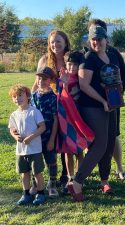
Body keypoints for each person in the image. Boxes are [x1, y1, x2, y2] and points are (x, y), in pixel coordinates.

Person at [67, 25, 118, 201]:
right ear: (90, 41)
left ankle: (104, 180)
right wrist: (103, 101)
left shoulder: (110, 56)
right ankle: (77, 182)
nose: (97, 42)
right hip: (93, 107)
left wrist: (114, 98)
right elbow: (84, 85)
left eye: (100, 38)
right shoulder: (88, 58)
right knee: (99, 145)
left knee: (109, 142)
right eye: (93, 39)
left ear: (106, 39)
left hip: (111, 106)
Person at [87, 19, 125, 180]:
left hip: (112, 103)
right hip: (92, 105)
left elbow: (123, 76)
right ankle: (89, 169)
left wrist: (117, 96)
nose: (96, 38)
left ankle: (119, 168)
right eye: (93, 33)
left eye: (100, 34)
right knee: (92, 137)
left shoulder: (114, 53)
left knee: (113, 135)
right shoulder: (86, 54)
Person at [32, 30, 71, 188]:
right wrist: (30, 100)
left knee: (64, 137)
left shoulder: (70, 58)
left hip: (67, 103)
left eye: (58, 41)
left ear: (65, 42)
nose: (55, 44)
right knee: (50, 138)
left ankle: (65, 174)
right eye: (52, 42)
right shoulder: (44, 59)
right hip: (48, 104)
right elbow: (36, 82)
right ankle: (48, 175)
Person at [56, 51, 94, 194]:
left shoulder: (80, 79)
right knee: (68, 151)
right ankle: (70, 178)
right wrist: (64, 84)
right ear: (65, 65)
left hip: (79, 118)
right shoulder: (62, 79)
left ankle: (79, 178)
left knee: (79, 150)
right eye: (69, 64)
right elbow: (61, 98)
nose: (72, 67)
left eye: (75, 65)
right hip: (66, 120)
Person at [8, 84, 46, 205]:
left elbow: (42, 127)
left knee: (37, 172)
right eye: (14, 97)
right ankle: (26, 194)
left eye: (20, 95)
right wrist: (15, 136)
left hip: (35, 149)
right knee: (24, 173)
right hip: (21, 150)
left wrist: (31, 137)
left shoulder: (34, 112)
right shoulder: (14, 115)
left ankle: (40, 194)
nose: (17, 98)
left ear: (28, 96)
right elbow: (12, 129)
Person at [31, 67, 59, 198]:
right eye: (39, 78)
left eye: (45, 78)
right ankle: (35, 185)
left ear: (51, 80)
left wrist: (52, 139)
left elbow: (55, 119)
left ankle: (52, 184)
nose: (41, 80)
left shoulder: (53, 97)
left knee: (51, 161)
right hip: (35, 137)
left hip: (48, 136)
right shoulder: (32, 97)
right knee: (35, 162)